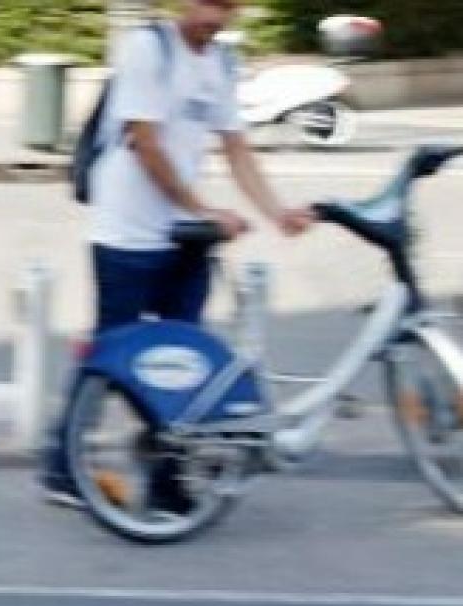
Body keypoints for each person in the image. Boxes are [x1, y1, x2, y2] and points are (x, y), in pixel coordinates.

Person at [41, 0, 314, 509]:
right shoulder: (149, 49)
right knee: (112, 351)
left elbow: (236, 148)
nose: (215, 15)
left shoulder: (223, 62)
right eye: (206, 3)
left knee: (183, 358)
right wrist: (204, 210)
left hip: (184, 234)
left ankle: (166, 482)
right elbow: (145, 144)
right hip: (127, 232)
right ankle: (62, 465)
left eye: (226, 6)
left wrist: (277, 213)